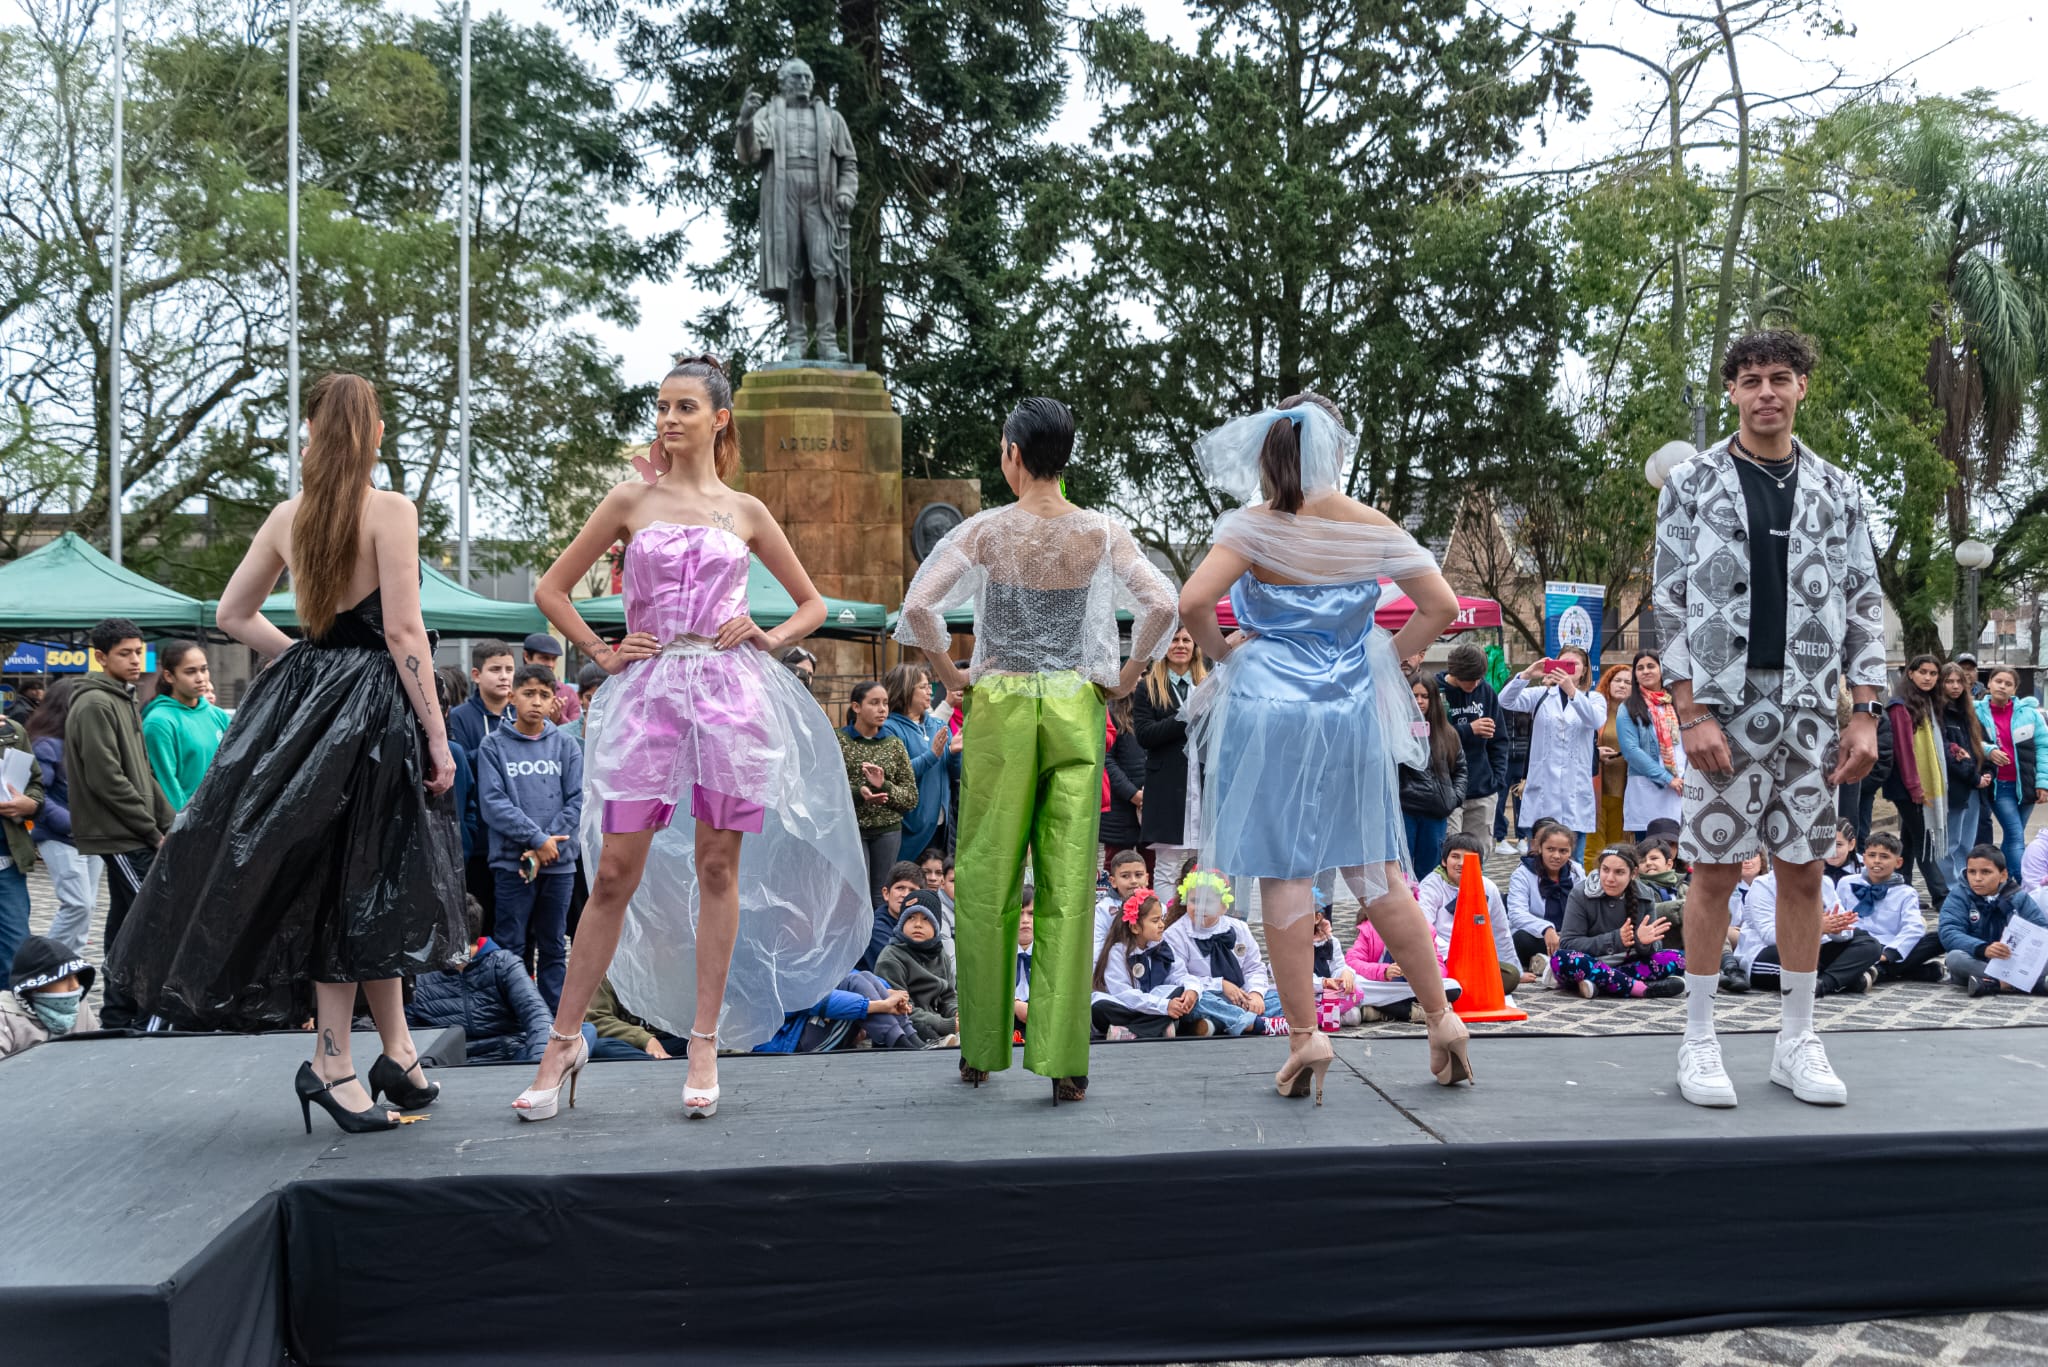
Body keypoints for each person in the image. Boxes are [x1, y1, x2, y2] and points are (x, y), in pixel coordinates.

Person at [105, 373, 465, 1132]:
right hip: (377, 713)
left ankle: (397, 1050)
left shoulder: (288, 515)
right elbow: (403, 632)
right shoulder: (391, 510)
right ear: (373, 435)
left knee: (362, 880)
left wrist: (305, 659)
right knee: (359, 881)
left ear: (312, 436)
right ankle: (333, 1061)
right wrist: (438, 733)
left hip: (309, 710)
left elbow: (233, 613)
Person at [516, 353, 870, 1122]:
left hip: (730, 699)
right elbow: (551, 588)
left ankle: (703, 1041)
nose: (668, 419)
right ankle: (563, 1040)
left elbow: (812, 604)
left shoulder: (744, 510)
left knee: (718, 865)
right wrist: (605, 651)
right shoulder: (629, 500)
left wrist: (770, 636)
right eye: (662, 406)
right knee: (614, 871)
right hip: (646, 697)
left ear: (719, 418)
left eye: (684, 406)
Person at [1176, 391, 1467, 1095]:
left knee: (1285, 874)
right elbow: (1442, 606)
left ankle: (1307, 1038)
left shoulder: (1255, 525)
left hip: (1269, 709)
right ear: (1333, 447)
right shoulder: (1369, 524)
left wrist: (1226, 652)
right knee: (1376, 870)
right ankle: (1442, 1018)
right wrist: (1386, 657)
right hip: (1349, 709)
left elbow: (1192, 603)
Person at [896, 396, 1176, 1103]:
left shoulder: (987, 530)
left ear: (1013, 454)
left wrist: (951, 674)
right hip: (1076, 706)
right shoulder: (1100, 531)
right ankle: (1064, 1060)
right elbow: (1163, 603)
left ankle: (981, 1048)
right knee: (1070, 880)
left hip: (1002, 704)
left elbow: (920, 606)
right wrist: (1128, 674)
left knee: (987, 875)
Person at [1653, 329, 1886, 1109]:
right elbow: (1668, 598)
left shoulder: (1839, 489)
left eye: (1780, 378)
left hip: (1813, 702)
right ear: (1731, 390)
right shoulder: (1691, 482)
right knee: (1715, 869)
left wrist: (1866, 711)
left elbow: (1863, 601)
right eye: (1750, 379)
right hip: (1723, 702)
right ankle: (1698, 1036)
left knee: (1806, 867)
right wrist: (1688, 708)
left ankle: (1797, 1037)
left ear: (1801, 387)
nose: (1766, 393)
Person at [65, 618, 173, 1031]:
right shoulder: (95, 703)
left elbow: (144, 772)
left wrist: (171, 823)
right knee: (159, 920)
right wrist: (151, 831)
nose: (135, 660)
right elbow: (106, 777)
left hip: (135, 830)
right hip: (121, 834)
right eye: (124, 653)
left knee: (126, 924)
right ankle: (151, 1017)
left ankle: (117, 1014)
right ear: (100, 656)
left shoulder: (122, 697)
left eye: (138, 651)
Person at [476, 664, 585, 1012]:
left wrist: (548, 844)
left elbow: (577, 800)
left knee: (553, 944)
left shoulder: (566, 745)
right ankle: (514, 1014)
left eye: (544, 695)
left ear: (554, 701)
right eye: (528, 693)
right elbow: (494, 803)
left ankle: (554, 1018)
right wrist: (537, 839)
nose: (536, 701)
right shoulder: (493, 746)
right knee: (511, 944)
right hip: (513, 864)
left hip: (559, 863)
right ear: (512, 697)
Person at [1501, 647, 1603, 862]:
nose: (1567, 670)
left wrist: (1571, 691)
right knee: (1538, 860)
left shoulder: (1593, 698)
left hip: (1575, 795)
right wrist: (1527, 674)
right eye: (1562, 664)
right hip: (1543, 794)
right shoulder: (1540, 695)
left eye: (1573, 665)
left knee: (1573, 861)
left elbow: (1595, 720)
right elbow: (1505, 701)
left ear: (1584, 670)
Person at [1548, 845, 1685, 999]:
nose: (1610, 878)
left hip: (1626, 964)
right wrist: (1616, 939)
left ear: (1633, 874)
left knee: (1679, 958)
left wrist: (1642, 943)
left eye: (1619, 872)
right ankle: (1640, 988)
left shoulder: (1645, 895)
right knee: (1562, 959)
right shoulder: (1580, 893)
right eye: (1605, 870)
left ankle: (1600, 984)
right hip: (1589, 963)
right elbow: (1568, 943)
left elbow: (1655, 948)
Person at [1132, 629, 1206, 911]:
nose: (1180, 645)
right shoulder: (1148, 687)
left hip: (1203, 783)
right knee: (1167, 866)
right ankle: (1165, 922)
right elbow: (1145, 735)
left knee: (1203, 864)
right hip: (1167, 787)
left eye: (1187, 640)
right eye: (1174, 640)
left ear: (1195, 647)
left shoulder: (1206, 684)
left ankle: (1201, 919)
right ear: (1163, 646)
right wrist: (1185, 715)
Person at [1730, 861, 1880, 998]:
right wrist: (1816, 928)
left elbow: (1845, 933)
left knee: (1869, 944)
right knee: (1797, 961)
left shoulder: (1824, 882)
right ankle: (1847, 975)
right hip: (1769, 952)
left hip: (1817, 948)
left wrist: (1837, 929)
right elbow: (1769, 936)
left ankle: (1823, 984)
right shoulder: (1763, 886)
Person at [24, 681, 99, 955]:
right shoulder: (47, 745)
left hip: (93, 836)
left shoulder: (85, 741)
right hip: (59, 836)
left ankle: (70, 969)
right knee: (77, 904)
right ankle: (45, 964)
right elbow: (38, 795)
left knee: (87, 908)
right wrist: (72, 824)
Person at [1163, 867, 1284, 1037]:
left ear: (1223, 906)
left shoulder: (1239, 928)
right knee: (1195, 1002)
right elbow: (1177, 977)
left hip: (1241, 996)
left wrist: (1255, 994)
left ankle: (1221, 1023)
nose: (1200, 908)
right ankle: (1255, 1024)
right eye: (1194, 901)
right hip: (1207, 996)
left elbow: (1254, 968)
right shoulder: (1175, 934)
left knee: (1283, 998)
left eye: (1208, 902)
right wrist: (1220, 985)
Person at [450, 639, 517, 932]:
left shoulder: (521, 714)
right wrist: (499, 743)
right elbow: (462, 765)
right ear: (476, 675)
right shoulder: (459, 717)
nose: (504, 676)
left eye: (509, 670)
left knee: (516, 923)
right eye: (495, 669)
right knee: (480, 920)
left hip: (518, 840)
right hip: (480, 840)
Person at [407, 933, 556, 1063]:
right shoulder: (419, 975)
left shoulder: (503, 963)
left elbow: (538, 1017)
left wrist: (539, 1066)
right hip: (448, 1064)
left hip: (510, 1056)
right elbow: (409, 1036)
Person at [1090, 890, 1210, 1043]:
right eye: (1155, 921)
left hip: (1155, 1001)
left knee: (1181, 994)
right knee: (1100, 1007)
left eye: (1162, 918)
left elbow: (1179, 974)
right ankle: (1159, 1026)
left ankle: (1132, 1032)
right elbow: (1124, 994)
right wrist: (1164, 1006)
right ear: (1135, 928)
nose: (1162, 925)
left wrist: (1191, 989)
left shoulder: (1162, 946)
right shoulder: (1118, 952)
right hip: (1128, 1005)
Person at [840, 679, 919, 901]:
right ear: (856, 707)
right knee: (856, 895)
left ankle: (879, 926)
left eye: (885, 703)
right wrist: (860, 793)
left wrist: (883, 786)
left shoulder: (894, 745)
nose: (882, 709)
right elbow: (827, 789)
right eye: (874, 703)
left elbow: (911, 797)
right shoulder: (839, 741)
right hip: (851, 829)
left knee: (881, 894)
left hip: (887, 831)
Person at [1416, 833, 1521, 998]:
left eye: (1468, 858)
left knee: (1511, 975)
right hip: (1443, 958)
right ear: (1444, 861)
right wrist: (1455, 956)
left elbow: (1501, 931)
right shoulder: (1431, 886)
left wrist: (1515, 967)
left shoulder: (1488, 887)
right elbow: (1425, 930)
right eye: (1455, 857)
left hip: (1477, 958)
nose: (1461, 863)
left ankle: (1463, 988)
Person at [1882, 655, 1949, 905]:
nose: (1928, 678)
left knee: (1909, 841)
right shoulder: (1900, 706)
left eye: (1933, 674)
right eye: (1923, 672)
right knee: (1924, 841)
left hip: (1917, 785)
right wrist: (1915, 788)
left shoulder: (1927, 704)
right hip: (1907, 785)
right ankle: (1942, 896)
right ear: (1910, 673)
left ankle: (1901, 892)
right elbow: (1904, 751)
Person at [1940, 846, 2048, 997]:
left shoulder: (2018, 896)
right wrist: (1983, 948)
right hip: (1978, 960)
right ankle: (2028, 985)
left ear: (2003, 875)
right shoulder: (1959, 895)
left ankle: (1992, 984)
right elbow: (1949, 932)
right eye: (1972, 872)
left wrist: (2020, 946)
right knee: (1954, 958)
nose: (1977, 878)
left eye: (1985, 872)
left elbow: (2042, 929)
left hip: (2013, 962)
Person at [1839, 833, 1945, 984]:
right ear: (1864, 858)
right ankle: (1906, 972)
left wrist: (1888, 954)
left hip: (1889, 946)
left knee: (1939, 937)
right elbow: (1837, 917)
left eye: (1884, 856)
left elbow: (1913, 927)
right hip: (1855, 945)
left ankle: (1877, 971)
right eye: (1872, 855)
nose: (1877, 861)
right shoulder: (1846, 883)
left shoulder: (1906, 893)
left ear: (1898, 862)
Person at [140, 640, 232, 811]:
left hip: (224, 815)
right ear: (169, 676)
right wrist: (185, 822)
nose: (200, 678)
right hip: (188, 820)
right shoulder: (159, 722)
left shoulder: (218, 715)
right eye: (190, 672)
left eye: (204, 669)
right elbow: (167, 784)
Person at [1975, 666, 2048, 882]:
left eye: (2008, 684)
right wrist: (1988, 750)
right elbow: (1968, 739)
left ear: (2014, 689)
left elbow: (2043, 748)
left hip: (2025, 786)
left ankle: (2004, 882)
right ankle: (2026, 884)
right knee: (2016, 835)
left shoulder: (2030, 715)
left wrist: (2043, 782)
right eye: (1998, 681)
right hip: (1999, 786)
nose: (2002, 687)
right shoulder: (1975, 711)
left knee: (2013, 836)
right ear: (1989, 683)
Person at [880, 663, 955, 865]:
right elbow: (894, 776)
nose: (930, 691)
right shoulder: (889, 729)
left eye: (930, 686)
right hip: (910, 829)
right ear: (905, 690)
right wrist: (931, 756)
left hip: (941, 826)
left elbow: (953, 773)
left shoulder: (938, 725)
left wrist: (955, 754)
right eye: (923, 686)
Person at [1397, 672, 1466, 876]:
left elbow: (1460, 769)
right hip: (1405, 809)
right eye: (1414, 696)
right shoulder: (1395, 731)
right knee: (1403, 871)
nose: (1419, 701)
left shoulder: (1447, 733)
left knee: (1430, 872)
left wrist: (1454, 798)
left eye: (1425, 696)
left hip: (1435, 810)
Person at [1438, 643, 1509, 843]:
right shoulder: (1434, 690)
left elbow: (1499, 740)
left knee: (1478, 853)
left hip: (1482, 788)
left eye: (1480, 678)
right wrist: (1469, 730)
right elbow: (1431, 736)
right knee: (1450, 849)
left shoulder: (1486, 691)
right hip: (1446, 787)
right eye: (1471, 679)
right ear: (1456, 673)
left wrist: (1497, 779)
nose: (1476, 683)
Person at [1617, 651, 1686, 840]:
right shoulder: (1628, 707)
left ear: (1662, 670)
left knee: (1680, 849)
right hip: (1647, 789)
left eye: (1651, 666)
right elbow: (1631, 751)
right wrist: (1666, 778)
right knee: (1648, 847)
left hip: (1681, 786)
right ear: (1635, 674)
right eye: (1640, 668)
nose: (1646, 671)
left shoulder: (1678, 703)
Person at [1936, 661, 1992, 889]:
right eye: (1949, 681)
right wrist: (1974, 777)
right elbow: (1948, 755)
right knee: (1949, 844)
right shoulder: (1938, 714)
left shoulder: (1969, 715)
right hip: (1954, 787)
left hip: (1974, 787)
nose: (1955, 686)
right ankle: (1950, 889)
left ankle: (1963, 886)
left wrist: (1987, 772)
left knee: (1966, 844)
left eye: (1959, 681)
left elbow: (1983, 746)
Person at [874, 892, 958, 1044]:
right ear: (901, 923)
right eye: (911, 918)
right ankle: (938, 1044)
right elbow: (901, 1008)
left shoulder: (941, 954)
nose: (918, 924)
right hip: (905, 1026)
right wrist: (945, 1024)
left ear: (936, 926)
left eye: (926, 919)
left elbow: (948, 996)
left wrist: (956, 1014)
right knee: (919, 1027)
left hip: (936, 1021)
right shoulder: (891, 957)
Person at [0, 935, 98, 1061]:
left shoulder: (78, 1004)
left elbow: (97, 1052)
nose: (75, 986)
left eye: (75, 976)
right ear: (34, 986)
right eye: (63, 978)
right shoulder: (5, 1017)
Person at [1504, 819, 1578, 974]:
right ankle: (1562, 960)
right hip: (1538, 937)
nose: (1556, 856)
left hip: (1568, 936)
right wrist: (1546, 928)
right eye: (1550, 849)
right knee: (1521, 940)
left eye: (1563, 851)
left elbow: (1585, 907)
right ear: (1540, 848)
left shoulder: (1576, 872)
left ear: (1571, 852)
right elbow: (1516, 913)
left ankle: (1549, 962)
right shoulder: (1523, 874)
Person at [0, 709, 41, 971]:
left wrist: (31, 803)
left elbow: (35, 782)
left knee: (17, 954)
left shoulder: (12, 731)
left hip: (7, 863)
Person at [1589, 664, 1633, 862]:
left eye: (1628, 682)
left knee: (1617, 848)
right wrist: (1595, 753)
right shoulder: (1596, 711)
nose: (1622, 685)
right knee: (1593, 848)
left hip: (1624, 791)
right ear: (1608, 682)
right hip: (1596, 789)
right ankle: (1592, 880)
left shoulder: (1636, 715)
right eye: (1617, 680)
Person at [1099, 692, 1146, 869]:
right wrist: (1133, 794)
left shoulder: (1153, 706)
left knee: (1151, 866)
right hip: (1119, 805)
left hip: (1149, 801)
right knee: (1117, 864)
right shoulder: (1110, 711)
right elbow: (1106, 759)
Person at [864, 860, 926, 971]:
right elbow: (901, 966)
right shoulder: (875, 928)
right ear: (886, 893)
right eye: (900, 888)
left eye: (912, 890)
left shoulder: (924, 924)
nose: (905, 895)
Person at [1093, 848, 1151, 954]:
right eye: (1125, 876)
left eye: (1138, 875)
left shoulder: (1157, 907)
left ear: (1147, 879)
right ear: (1113, 882)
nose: (1133, 881)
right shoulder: (1102, 910)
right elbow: (1097, 948)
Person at [521, 633, 580, 724]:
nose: (551, 664)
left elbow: (577, 730)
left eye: (554, 659)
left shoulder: (568, 693)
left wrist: (559, 719)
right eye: (545, 658)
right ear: (527, 657)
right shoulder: (512, 688)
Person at [1823, 819, 1862, 887]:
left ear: (1851, 844)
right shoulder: (1810, 869)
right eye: (1826, 845)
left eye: (1838, 844)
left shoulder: (1865, 870)